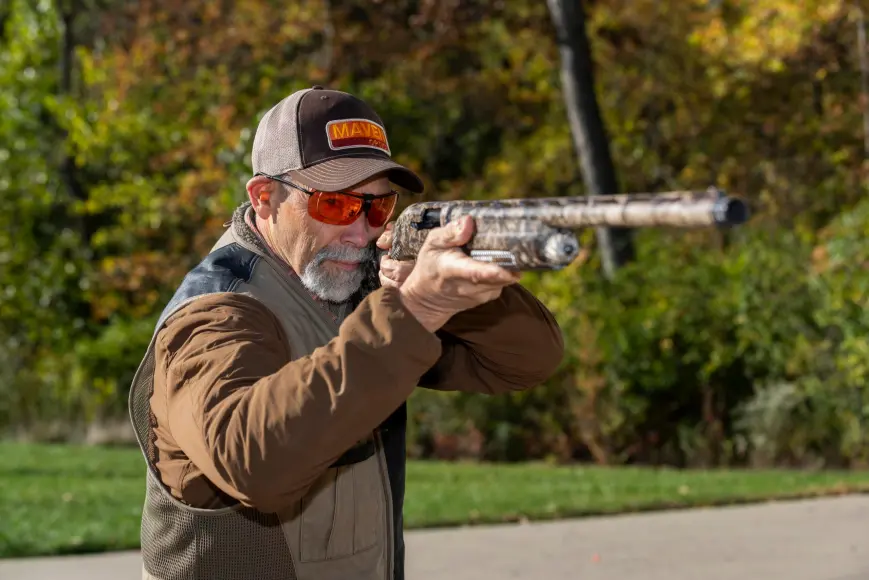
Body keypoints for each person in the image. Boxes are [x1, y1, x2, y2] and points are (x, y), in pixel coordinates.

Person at [128, 85, 565, 580]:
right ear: (264, 198)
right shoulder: (215, 313)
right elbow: (253, 464)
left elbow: (528, 359)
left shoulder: (361, 288)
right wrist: (417, 308)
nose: (361, 233)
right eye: (335, 205)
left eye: (378, 209)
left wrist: (455, 282)